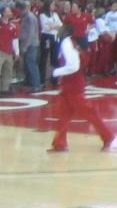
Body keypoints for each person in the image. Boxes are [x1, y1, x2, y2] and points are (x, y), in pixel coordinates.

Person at [48, 21, 113, 152]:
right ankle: (60, 144)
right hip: (71, 83)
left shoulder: (67, 43)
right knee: (63, 114)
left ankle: (107, 135)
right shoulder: (74, 43)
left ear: (66, 30)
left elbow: (73, 66)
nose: (59, 29)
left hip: (72, 83)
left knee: (88, 112)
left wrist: (55, 72)